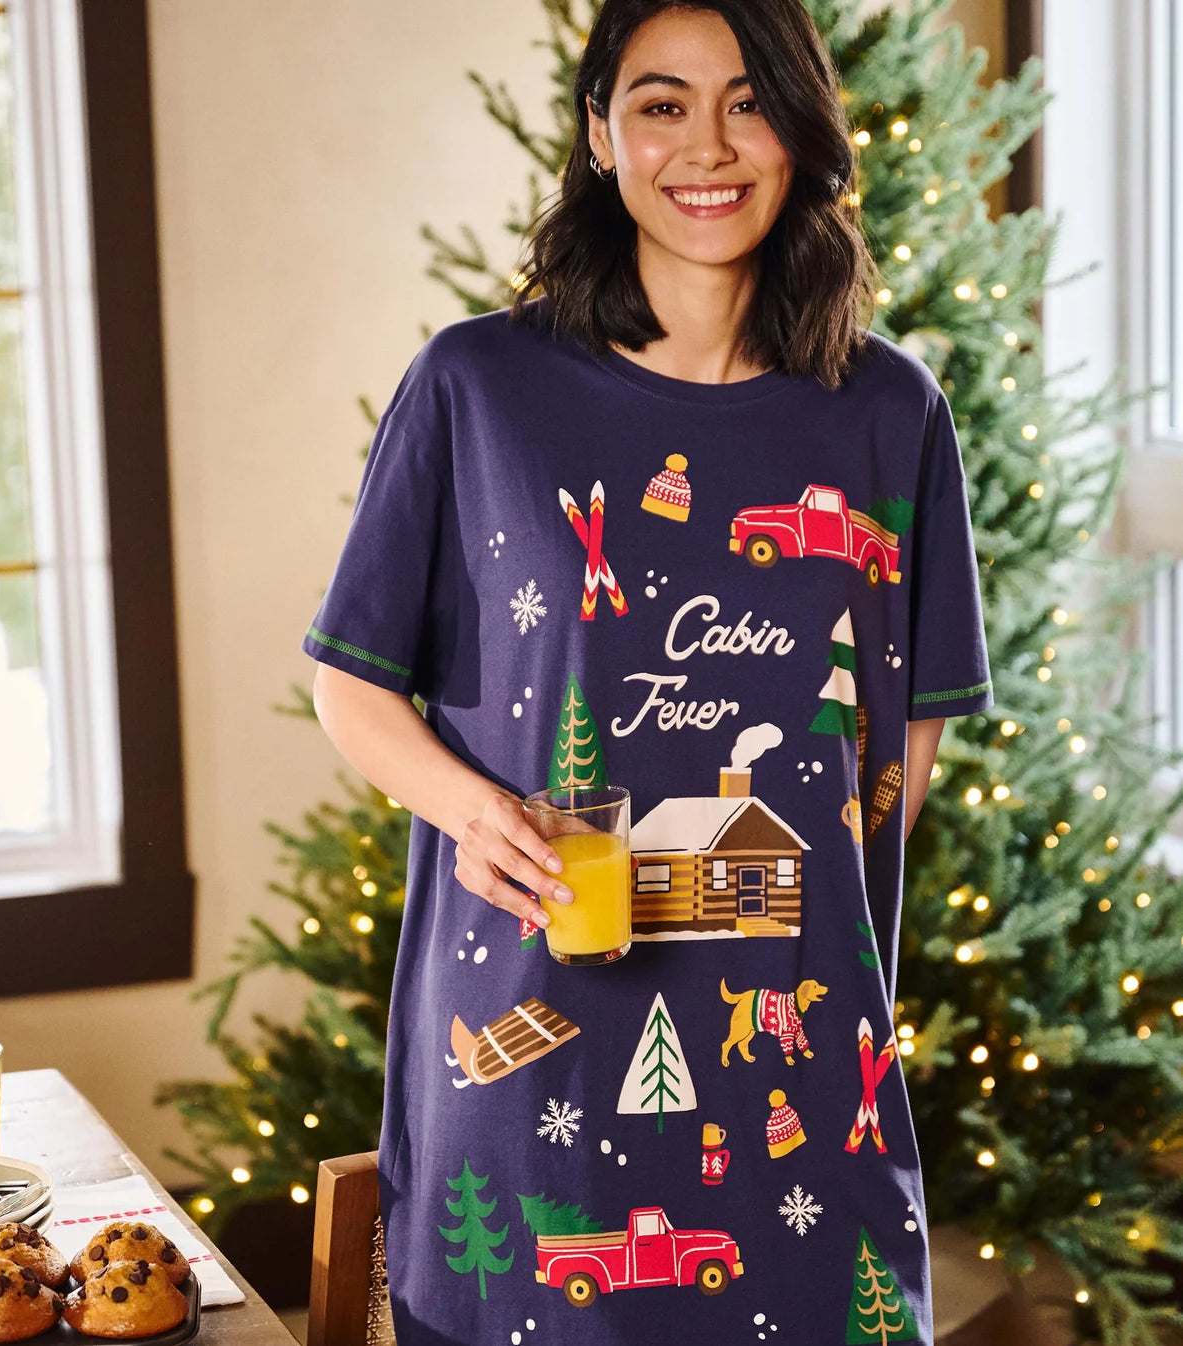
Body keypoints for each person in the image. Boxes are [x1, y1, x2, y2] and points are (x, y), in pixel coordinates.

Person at [302, 1, 993, 1341]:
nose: (708, 146)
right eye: (662, 104)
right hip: (534, 1039)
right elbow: (353, 681)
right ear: (600, 133)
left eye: (749, 101)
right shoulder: (477, 387)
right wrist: (477, 815)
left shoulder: (889, 411)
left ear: (801, 130)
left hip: (796, 1066)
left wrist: (793, 920)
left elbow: (901, 746)